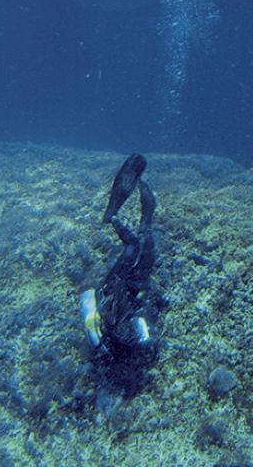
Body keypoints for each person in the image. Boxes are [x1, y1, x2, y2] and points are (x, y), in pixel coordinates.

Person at [83, 153, 159, 371]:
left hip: (115, 286)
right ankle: (145, 220)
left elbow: (91, 301)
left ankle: (112, 216)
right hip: (133, 290)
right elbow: (145, 320)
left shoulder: (107, 336)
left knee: (134, 246)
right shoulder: (130, 336)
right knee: (147, 250)